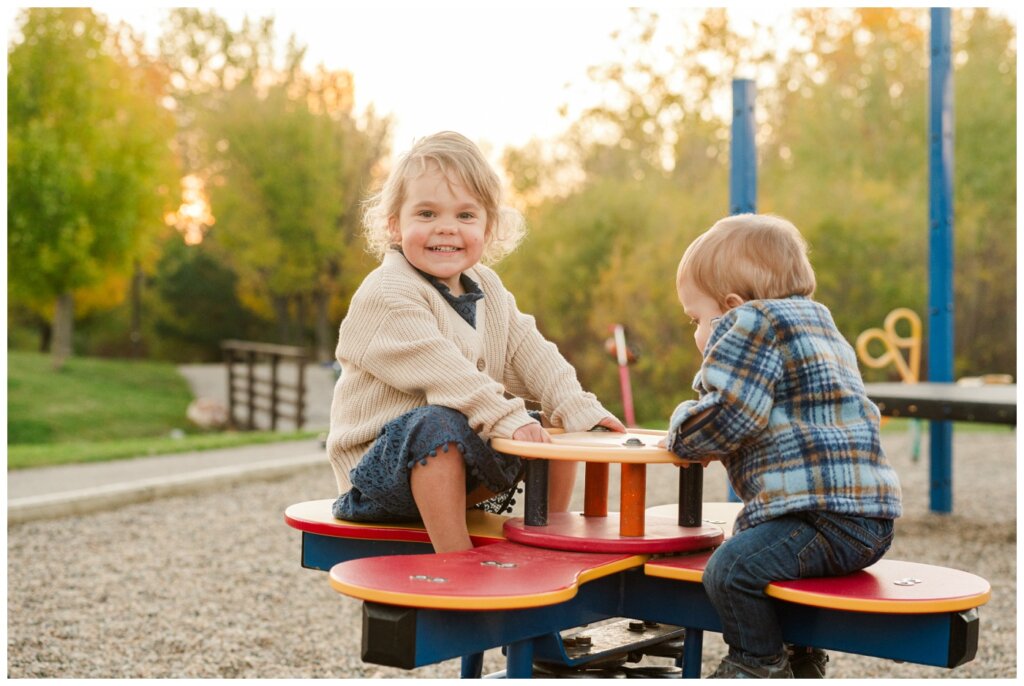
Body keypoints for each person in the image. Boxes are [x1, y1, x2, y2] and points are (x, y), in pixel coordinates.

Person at [326, 131, 625, 553]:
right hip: (381, 477)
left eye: (466, 216)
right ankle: (455, 557)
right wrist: (507, 419)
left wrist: (576, 407)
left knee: (545, 427)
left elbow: (531, 351)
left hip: (457, 464)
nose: (446, 228)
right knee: (437, 422)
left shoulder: (487, 286)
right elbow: (449, 375)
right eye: (427, 214)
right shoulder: (387, 295)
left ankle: (549, 536)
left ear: (489, 226)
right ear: (395, 224)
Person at [663, 214, 903, 678]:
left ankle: (757, 664)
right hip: (866, 519)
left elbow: (731, 414)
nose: (696, 332)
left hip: (823, 518)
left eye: (697, 319)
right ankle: (801, 656)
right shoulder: (817, 321)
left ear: (730, 307)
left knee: (730, 569)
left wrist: (682, 431)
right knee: (759, 553)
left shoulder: (752, 322)